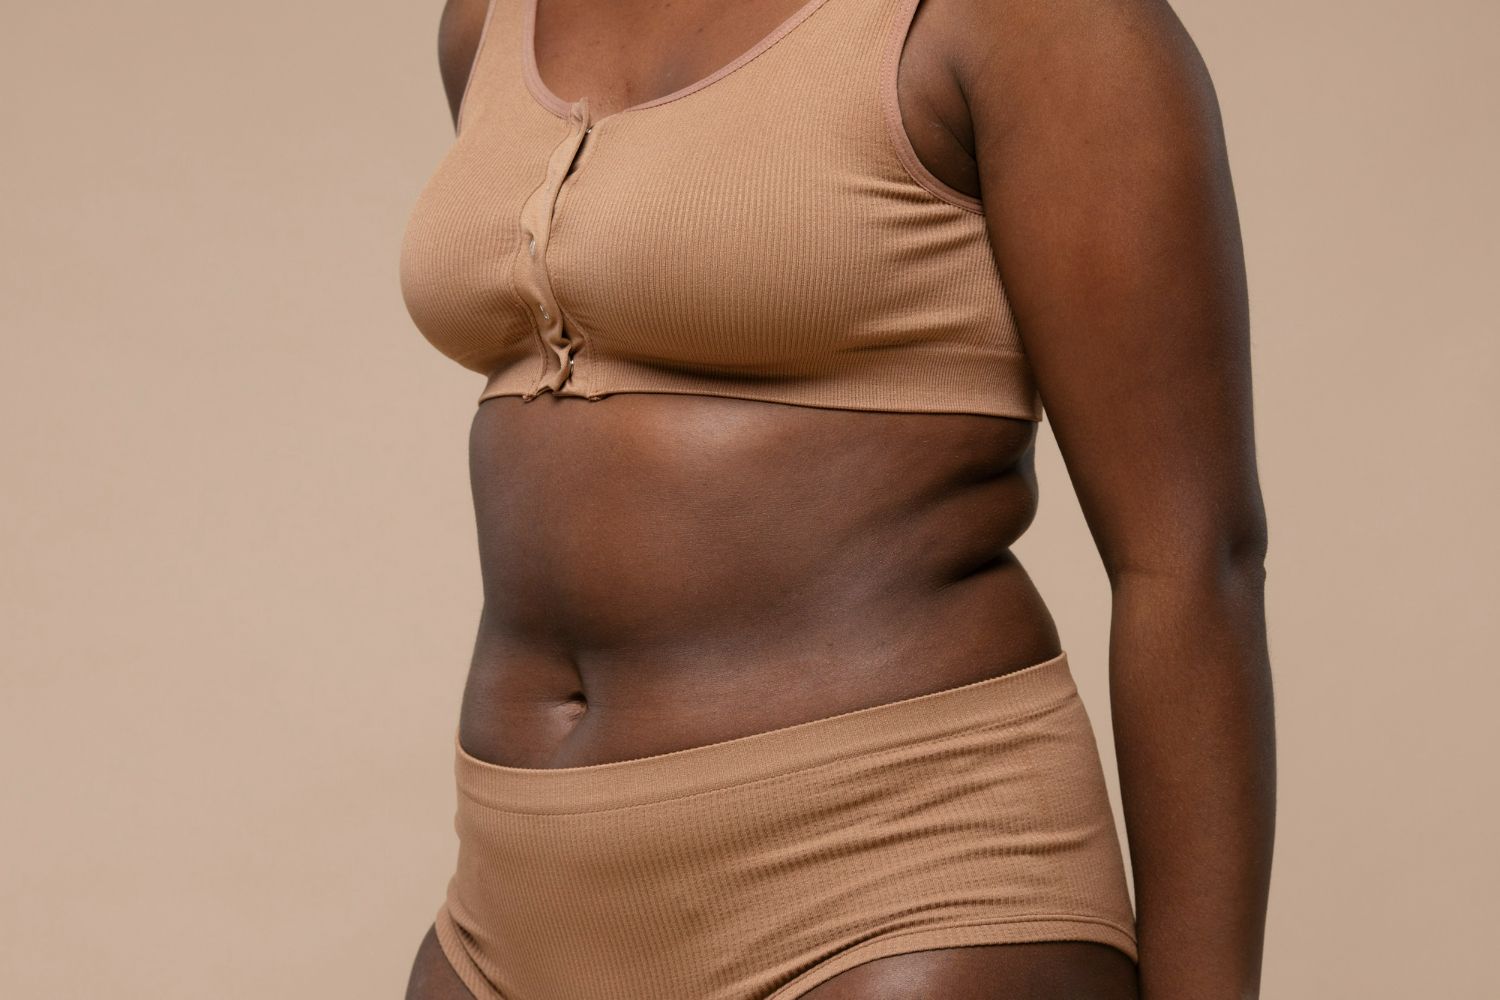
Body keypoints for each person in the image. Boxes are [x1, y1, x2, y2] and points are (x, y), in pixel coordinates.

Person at [397, 0, 1275, 996]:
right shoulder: (487, 22)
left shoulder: (1028, 22)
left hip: (889, 883)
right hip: (509, 901)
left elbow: (1190, 559)